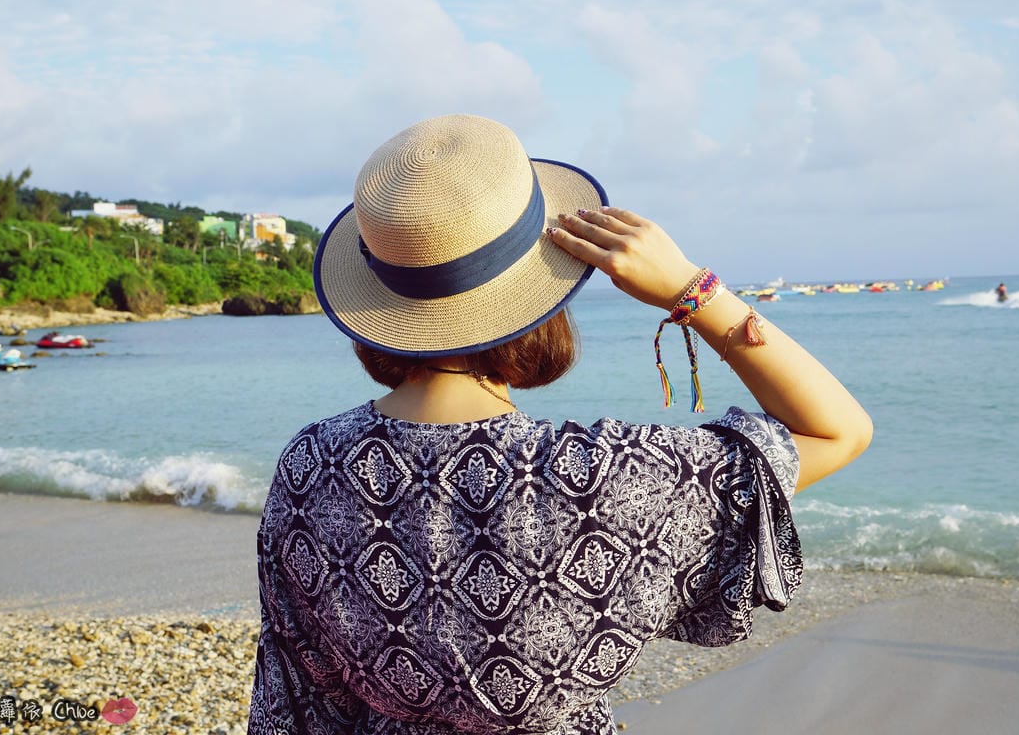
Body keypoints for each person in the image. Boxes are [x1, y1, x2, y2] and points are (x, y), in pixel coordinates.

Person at [248, 114, 872, 735]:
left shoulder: (309, 466)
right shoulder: (609, 474)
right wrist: (693, 289)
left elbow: (297, 699)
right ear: (548, 289)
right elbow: (837, 430)